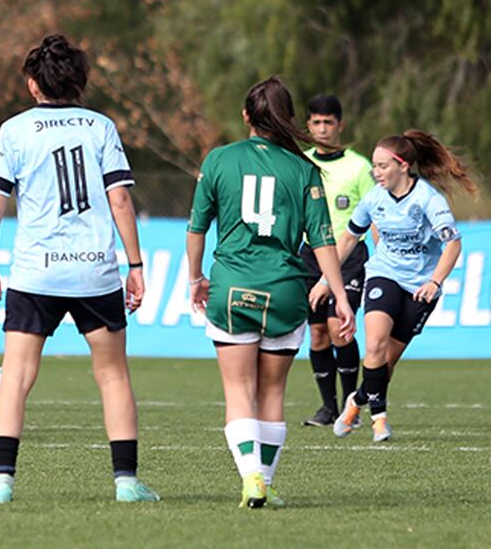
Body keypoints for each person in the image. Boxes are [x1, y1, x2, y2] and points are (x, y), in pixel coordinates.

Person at [0, 33, 158, 504]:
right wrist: (135, 263)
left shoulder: (14, 130)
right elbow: (120, 198)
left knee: (15, 375)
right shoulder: (100, 126)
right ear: (78, 81)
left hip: (35, 270)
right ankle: (126, 484)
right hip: (93, 269)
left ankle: (1, 482)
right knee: (113, 374)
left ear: (34, 84)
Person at [186, 76, 355, 509]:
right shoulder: (304, 169)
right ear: (289, 119)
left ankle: (251, 480)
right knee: (272, 394)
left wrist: (195, 279)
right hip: (284, 290)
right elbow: (323, 241)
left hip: (232, 287)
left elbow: (197, 228)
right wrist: (340, 295)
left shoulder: (220, 160)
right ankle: (265, 481)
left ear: (246, 116)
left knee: (238, 391)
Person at [311, 130, 474, 442]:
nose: (376, 172)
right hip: (383, 275)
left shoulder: (428, 199)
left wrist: (434, 282)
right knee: (374, 345)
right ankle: (379, 421)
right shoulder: (373, 199)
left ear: (403, 166)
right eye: (374, 165)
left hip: (420, 287)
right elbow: (348, 238)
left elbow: (452, 244)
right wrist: (325, 281)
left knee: (385, 363)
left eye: (383, 166)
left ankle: (356, 401)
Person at [299, 95, 376, 427]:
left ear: (340, 125)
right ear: (308, 125)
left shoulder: (359, 167)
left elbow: (375, 214)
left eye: (328, 122)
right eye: (316, 122)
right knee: (317, 335)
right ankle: (327, 407)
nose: (322, 128)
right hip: (309, 255)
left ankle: (351, 408)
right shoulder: (300, 163)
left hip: (348, 256)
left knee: (339, 330)